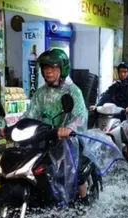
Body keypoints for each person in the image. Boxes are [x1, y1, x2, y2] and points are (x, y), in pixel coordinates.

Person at [20, 48, 89, 204]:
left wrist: (69, 128)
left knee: (74, 173)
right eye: (45, 68)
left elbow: (80, 115)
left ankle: (83, 202)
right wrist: (16, 127)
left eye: (53, 67)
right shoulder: (40, 93)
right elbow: (31, 113)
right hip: (44, 137)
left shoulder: (73, 91)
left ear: (62, 69)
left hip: (66, 140)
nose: (48, 72)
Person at [89, 62, 128, 160]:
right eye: (121, 72)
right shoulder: (115, 86)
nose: (123, 74)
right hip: (116, 114)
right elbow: (105, 96)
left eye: (125, 72)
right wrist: (96, 106)